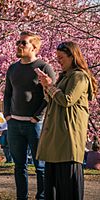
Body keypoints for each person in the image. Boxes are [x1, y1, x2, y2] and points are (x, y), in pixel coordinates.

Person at [36, 41, 98, 199]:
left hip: (68, 138)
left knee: (67, 188)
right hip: (56, 137)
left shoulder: (79, 77)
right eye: (57, 58)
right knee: (53, 186)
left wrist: (50, 86)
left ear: (73, 56)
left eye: (62, 57)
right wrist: (46, 86)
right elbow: (53, 99)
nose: (59, 61)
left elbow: (67, 100)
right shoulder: (64, 77)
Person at [4, 31, 56, 200]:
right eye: (18, 42)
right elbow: (7, 93)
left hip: (35, 125)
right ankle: (22, 197)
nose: (19, 45)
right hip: (14, 124)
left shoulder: (44, 67)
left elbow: (50, 95)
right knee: (19, 166)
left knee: (40, 166)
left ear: (34, 47)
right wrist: (7, 115)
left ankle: (42, 197)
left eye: (23, 43)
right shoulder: (13, 68)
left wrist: (37, 117)